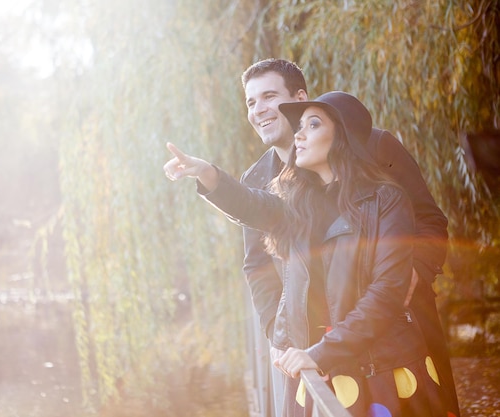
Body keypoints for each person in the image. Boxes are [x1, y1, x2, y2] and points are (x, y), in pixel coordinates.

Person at [163, 91, 459, 416]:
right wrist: (206, 173)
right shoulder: (298, 205)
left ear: (343, 136)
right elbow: (250, 204)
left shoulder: (386, 200)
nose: (299, 134)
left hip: (382, 372)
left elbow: (387, 292)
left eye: (313, 124)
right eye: (299, 125)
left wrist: (320, 353)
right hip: (317, 372)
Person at [237, 59, 458, 416]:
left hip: (395, 321)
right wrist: (276, 334)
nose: (258, 109)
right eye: (250, 101)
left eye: (268, 96)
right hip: (313, 340)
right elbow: (257, 265)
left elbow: (430, 220)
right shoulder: (255, 180)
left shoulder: (374, 145)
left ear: (300, 98)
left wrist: (413, 271)